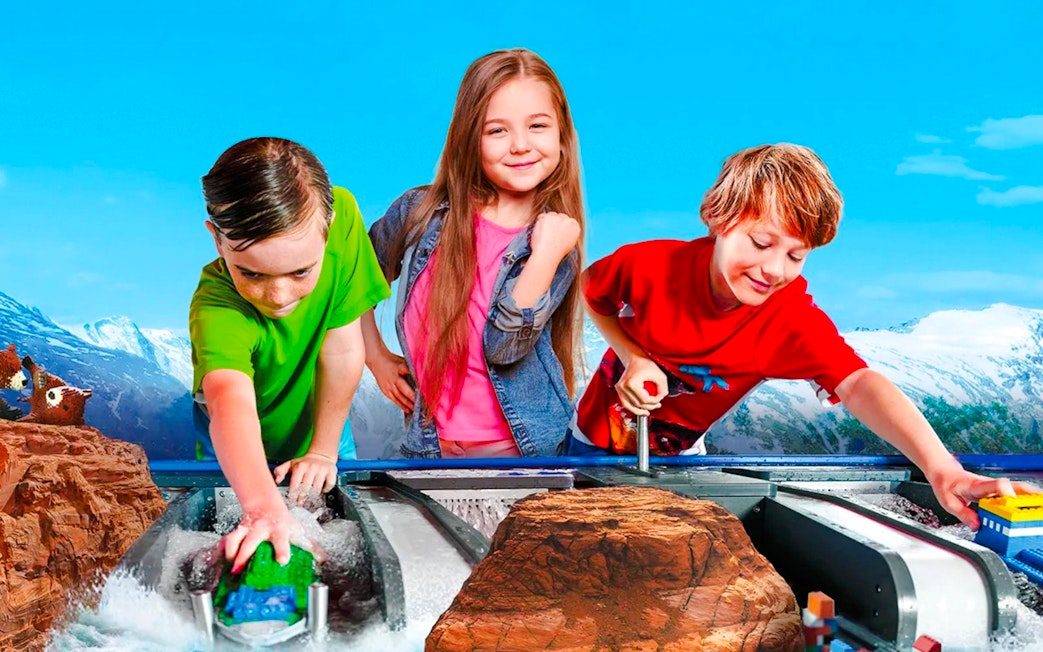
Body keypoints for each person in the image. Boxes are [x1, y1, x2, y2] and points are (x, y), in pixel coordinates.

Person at [567, 143, 1034, 528]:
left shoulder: (788, 320)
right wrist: (632, 356)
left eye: (797, 255)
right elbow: (592, 292)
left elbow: (858, 383)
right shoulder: (649, 265)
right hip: (589, 437)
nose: (774, 269)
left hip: (684, 456)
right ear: (717, 218)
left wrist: (942, 468)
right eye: (762, 242)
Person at [362, 48, 584, 459]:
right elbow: (354, 275)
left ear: (561, 137)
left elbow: (503, 346)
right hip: (428, 450)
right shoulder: (419, 214)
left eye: (537, 125)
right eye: (496, 130)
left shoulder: (555, 244)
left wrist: (545, 255)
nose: (520, 145)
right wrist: (373, 355)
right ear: (469, 138)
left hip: (527, 453)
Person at [189, 137, 390, 570]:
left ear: (329, 225)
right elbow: (228, 401)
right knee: (237, 544)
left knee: (345, 541)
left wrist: (322, 450)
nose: (277, 296)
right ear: (217, 239)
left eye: (301, 271)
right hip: (236, 445)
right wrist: (261, 505)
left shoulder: (344, 217)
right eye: (252, 273)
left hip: (322, 422)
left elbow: (342, 344)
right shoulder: (215, 308)